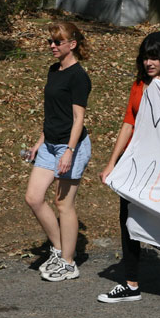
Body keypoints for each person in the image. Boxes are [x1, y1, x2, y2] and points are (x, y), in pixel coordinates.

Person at [96, 32, 160, 303]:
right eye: (145, 57)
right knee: (127, 221)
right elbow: (128, 124)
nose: (149, 62)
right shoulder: (138, 85)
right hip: (132, 164)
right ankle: (131, 284)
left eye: (154, 57)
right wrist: (110, 163)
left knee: (152, 220)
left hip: (159, 167)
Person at [24, 22, 92, 282]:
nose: (52, 46)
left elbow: (77, 118)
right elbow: (53, 113)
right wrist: (39, 142)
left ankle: (68, 262)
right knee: (33, 197)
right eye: (50, 42)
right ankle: (58, 248)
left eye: (57, 42)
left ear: (71, 44)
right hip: (50, 144)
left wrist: (69, 152)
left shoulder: (78, 77)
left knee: (63, 203)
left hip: (70, 146)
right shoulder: (54, 71)